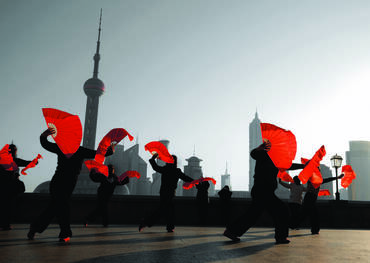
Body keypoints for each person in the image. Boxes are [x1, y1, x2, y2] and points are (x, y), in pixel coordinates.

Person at [27, 128, 114, 242]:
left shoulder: (63, 148)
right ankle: (64, 233)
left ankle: (35, 227)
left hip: (57, 182)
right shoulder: (79, 150)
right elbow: (98, 154)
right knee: (63, 206)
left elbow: (46, 144)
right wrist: (110, 151)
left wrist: (44, 136)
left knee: (54, 207)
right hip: (66, 183)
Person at [223, 141, 305, 244]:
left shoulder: (276, 160)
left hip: (264, 191)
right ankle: (280, 237)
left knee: (253, 215)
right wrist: (259, 148)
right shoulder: (264, 154)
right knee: (282, 211)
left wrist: (303, 166)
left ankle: (231, 231)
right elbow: (253, 154)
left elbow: (288, 165)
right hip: (262, 190)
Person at [139, 153, 193, 233]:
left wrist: (152, 159)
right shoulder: (176, 171)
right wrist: (196, 181)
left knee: (164, 210)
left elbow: (155, 167)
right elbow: (186, 178)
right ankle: (150, 223)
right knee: (166, 210)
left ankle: (149, 223)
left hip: (164, 192)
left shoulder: (165, 169)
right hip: (170, 193)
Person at [0, 144, 32, 230]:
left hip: (4, 186)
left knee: (4, 205)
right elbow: (25, 163)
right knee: (8, 205)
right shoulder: (13, 160)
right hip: (9, 187)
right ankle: (5, 224)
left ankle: (4, 223)